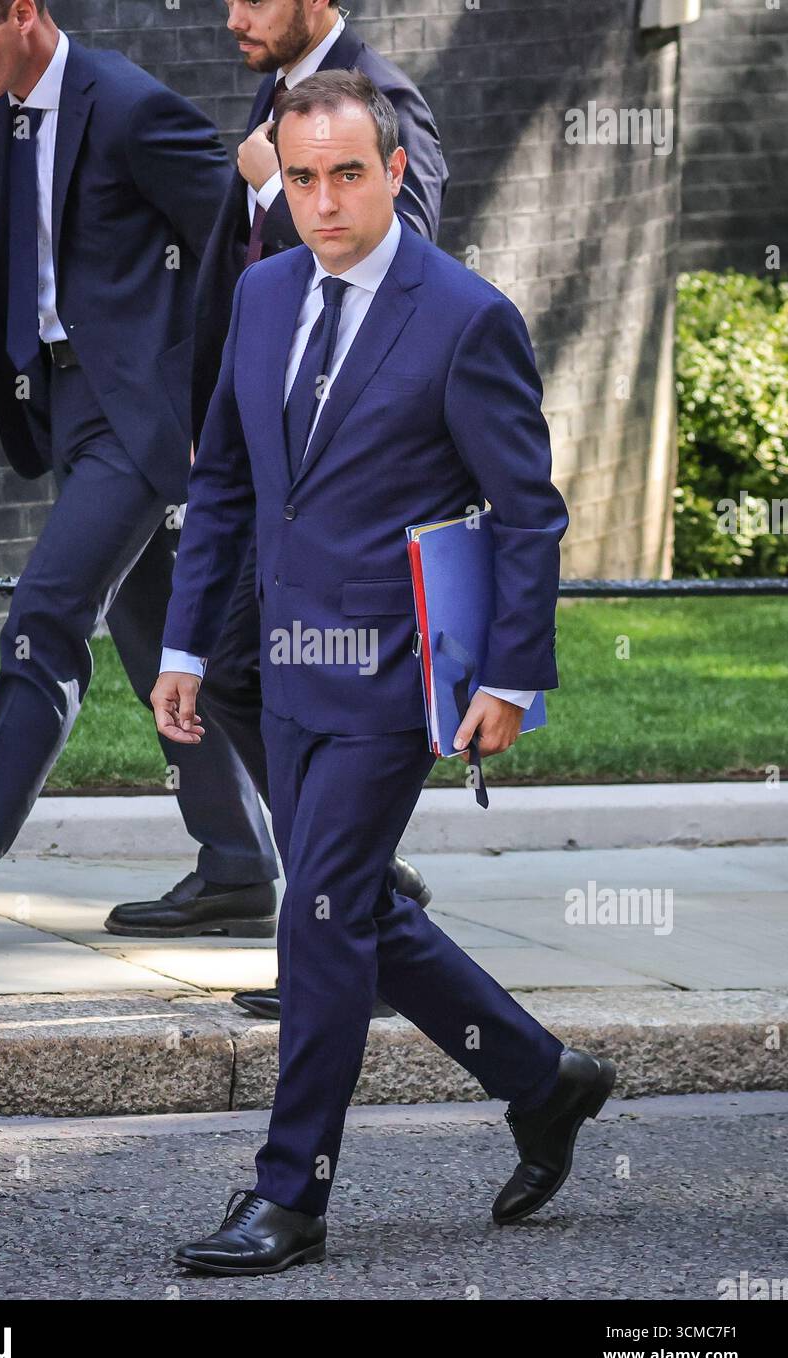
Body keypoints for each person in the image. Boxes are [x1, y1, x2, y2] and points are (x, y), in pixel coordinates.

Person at [151, 70, 617, 1276]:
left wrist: (511, 675)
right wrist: (187, 643)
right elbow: (228, 488)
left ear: (394, 169)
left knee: (314, 921)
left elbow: (526, 513)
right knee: (349, 905)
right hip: (281, 667)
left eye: (346, 173)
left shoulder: (463, 316)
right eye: (300, 178)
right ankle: (541, 1075)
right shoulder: (260, 297)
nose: (322, 201)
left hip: (393, 680)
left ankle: (288, 1194)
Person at [0, 0, 234, 954]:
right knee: (160, 643)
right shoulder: (3, 112)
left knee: (46, 616)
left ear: (22, 13)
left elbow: (240, 247)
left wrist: (203, 409)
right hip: (68, 405)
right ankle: (241, 866)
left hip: (143, 422)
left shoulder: (135, 108)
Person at [108, 0, 445, 1025]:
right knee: (241, 671)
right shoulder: (277, 100)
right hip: (266, 469)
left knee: (258, 677)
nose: (231, 15)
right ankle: (352, 904)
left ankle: (346, 915)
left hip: (346, 494)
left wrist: (268, 182)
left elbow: (412, 267)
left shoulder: (379, 103)